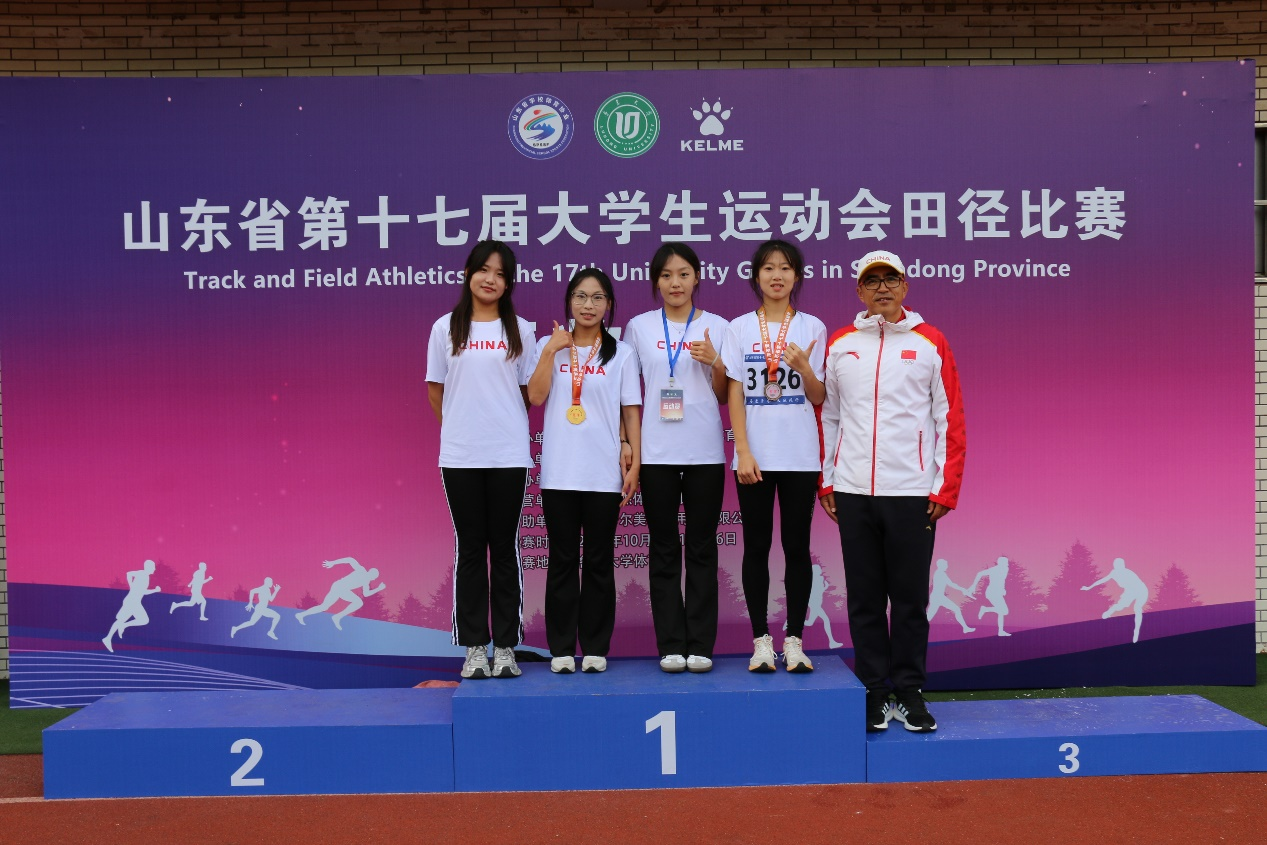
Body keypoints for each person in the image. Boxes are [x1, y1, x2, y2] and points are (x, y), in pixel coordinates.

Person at [819, 249, 965, 733]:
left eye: (890, 279)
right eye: (872, 280)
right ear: (859, 290)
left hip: (911, 491)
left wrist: (944, 488)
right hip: (854, 492)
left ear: (905, 286)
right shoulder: (841, 344)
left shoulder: (930, 342)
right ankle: (874, 692)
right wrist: (828, 479)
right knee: (864, 600)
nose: (882, 287)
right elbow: (829, 417)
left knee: (908, 601)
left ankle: (909, 690)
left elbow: (950, 418)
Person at [426, 240, 537, 680]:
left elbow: (529, 392)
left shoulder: (520, 330)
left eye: (501, 274)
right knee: (471, 548)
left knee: (504, 548)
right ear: (469, 272)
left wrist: (496, 425)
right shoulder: (445, 328)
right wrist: (462, 428)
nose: (491, 279)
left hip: (508, 454)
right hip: (460, 457)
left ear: (509, 283)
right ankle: (475, 646)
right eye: (484, 270)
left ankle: (506, 645)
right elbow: (436, 390)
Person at [528, 268, 642, 674]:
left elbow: (631, 411)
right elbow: (535, 397)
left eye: (597, 298)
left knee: (598, 561)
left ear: (608, 305)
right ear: (568, 302)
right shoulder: (549, 346)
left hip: (603, 474)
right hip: (559, 473)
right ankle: (561, 648)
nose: (588, 305)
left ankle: (595, 647)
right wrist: (549, 351)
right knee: (561, 561)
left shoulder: (621, 353)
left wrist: (635, 461)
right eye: (580, 296)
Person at [623, 243, 729, 673]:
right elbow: (627, 393)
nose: (675, 283)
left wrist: (715, 362)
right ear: (656, 282)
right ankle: (670, 644)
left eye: (683, 274)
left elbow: (725, 394)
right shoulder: (639, 327)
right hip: (656, 454)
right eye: (666, 275)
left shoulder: (718, 326)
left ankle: (700, 644)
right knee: (664, 548)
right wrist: (628, 444)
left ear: (697, 278)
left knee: (702, 548)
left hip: (705, 452)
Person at [722, 240, 826, 673]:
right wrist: (742, 450)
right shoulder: (739, 328)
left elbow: (819, 396)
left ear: (797, 276)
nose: (777, 276)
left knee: (797, 547)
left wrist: (804, 369)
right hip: (755, 459)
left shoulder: (813, 326)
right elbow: (734, 392)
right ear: (756, 277)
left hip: (800, 456)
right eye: (768, 268)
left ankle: (795, 640)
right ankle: (761, 641)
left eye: (785, 268)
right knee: (757, 547)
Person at [295, 557, 386, 630]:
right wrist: (333, 562)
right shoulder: (361, 570)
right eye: (374, 577)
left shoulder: (366, 582)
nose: (373, 579)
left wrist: (378, 588)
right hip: (339, 586)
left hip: (344, 590)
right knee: (324, 606)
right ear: (371, 574)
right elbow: (350, 560)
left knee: (358, 602)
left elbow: (366, 594)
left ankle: (337, 617)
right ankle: (301, 615)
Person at [1082, 557, 1149, 644]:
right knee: (1120, 607)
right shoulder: (1114, 573)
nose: (1118, 568)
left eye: (1120, 566)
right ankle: (1111, 611)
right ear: (1115, 566)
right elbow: (1103, 580)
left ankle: (1136, 632)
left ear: (1123, 566)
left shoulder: (1128, 573)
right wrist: (1089, 587)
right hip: (1130, 590)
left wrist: (1127, 595)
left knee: (1137, 608)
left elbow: (1135, 586)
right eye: (1117, 566)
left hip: (1141, 590)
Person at [103, 559, 161, 653]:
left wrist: (154, 590)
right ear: (149, 567)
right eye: (153, 567)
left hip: (134, 602)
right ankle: (110, 636)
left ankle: (112, 634)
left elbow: (142, 590)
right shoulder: (142, 574)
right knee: (142, 620)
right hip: (132, 602)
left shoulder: (145, 576)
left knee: (134, 620)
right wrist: (131, 586)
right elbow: (129, 574)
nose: (154, 569)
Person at [929, 559, 976, 634]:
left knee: (956, 609)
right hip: (937, 597)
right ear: (941, 565)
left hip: (939, 597)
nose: (947, 566)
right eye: (945, 565)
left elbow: (951, 584)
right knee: (929, 616)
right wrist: (962, 589)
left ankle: (965, 628)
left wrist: (962, 589)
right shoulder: (941, 574)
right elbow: (951, 584)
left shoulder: (940, 573)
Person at [968, 556, 1010, 636]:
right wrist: (973, 586)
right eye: (1005, 562)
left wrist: (1003, 589)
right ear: (1000, 563)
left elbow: (1002, 580)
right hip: (992, 592)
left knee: (1002, 611)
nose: (1007, 564)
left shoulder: (1005, 569)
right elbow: (979, 573)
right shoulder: (994, 569)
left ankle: (1000, 631)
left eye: (1007, 562)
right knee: (1004, 611)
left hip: (997, 592)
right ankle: (985, 609)